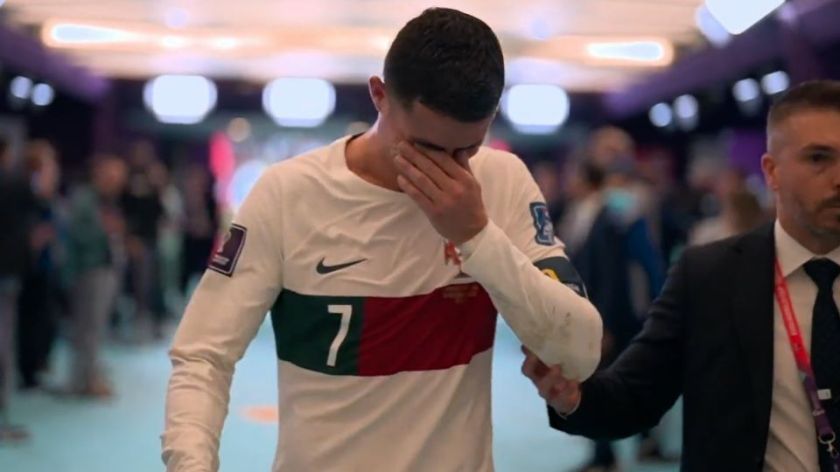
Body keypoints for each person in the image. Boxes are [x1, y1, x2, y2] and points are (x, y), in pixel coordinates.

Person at [162, 8, 602, 471]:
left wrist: (476, 236)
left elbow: (581, 351)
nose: (450, 170)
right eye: (427, 148)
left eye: (467, 149)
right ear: (380, 96)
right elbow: (203, 355)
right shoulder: (288, 195)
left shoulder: (500, 182)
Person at [522, 80, 840, 472]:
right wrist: (571, 394)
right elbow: (635, 396)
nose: (838, 177)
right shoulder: (710, 276)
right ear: (771, 172)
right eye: (819, 158)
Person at [64, 156, 128, 398]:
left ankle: (88, 376)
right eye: (113, 177)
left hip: (104, 267)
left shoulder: (105, 201)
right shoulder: (84, 200)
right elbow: (77, 233)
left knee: (94, 327)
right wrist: (106, 231)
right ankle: (83, 381)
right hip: (90, 269)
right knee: (87, 328)